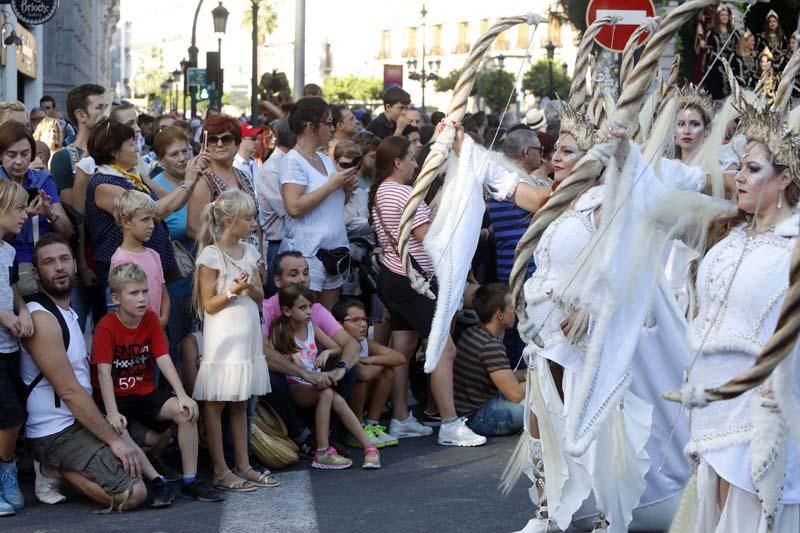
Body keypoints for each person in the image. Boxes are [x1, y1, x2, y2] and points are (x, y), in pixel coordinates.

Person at [369, 135, 486, 446]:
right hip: (414, 280)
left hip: (395, 277)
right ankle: (449, 423)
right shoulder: (405, 193)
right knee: (443, 350)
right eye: (411, 157)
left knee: (403, 349)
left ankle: (401, 418)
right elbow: (427, 238)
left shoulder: (381, 191)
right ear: (397, 162)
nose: (416, 163)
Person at [20, 234, 148, 512]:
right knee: (134, 492)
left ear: (76, 264)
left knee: (146, 449)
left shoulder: (70, 313)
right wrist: (114, 440)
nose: (59, 267)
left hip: (78, 421)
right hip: (55, 430)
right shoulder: (42, 317)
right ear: (36, 272)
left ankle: (69, 464)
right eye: (49, 262)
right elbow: (69, 390)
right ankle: (54, 468)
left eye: (65, 259)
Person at [92, 262, 222, 502]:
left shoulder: (150, 319)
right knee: (117, 427)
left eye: (144, 291)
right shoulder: (106, 326)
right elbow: (103, 373)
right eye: (134, 293)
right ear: (116, 298)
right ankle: (156, 480)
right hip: (117, 397)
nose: (142, 298)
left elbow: (163, 358)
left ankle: (190, 479)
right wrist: (111, 412)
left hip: (144, 392)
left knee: (186, 411)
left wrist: (182, 394)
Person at [192, 189, 274, 491]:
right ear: (229, 221)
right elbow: (208, 305)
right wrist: (234, 291)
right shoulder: (212, 255)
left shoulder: (250, 252)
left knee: (240, 401)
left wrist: (249, 288)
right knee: (216, 404)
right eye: (248, 218)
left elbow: (261, 294)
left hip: (247, 334)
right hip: (224, 336)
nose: (253, 223)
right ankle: (220, 469)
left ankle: (243, 464)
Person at [85, 119, 194, 315]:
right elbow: (155, 212)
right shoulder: (103, 183)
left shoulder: (131, 176)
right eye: (131, 144)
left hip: (147, 266)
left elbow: (173, 202)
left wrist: (190, 180)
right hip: (127, 276)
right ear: (114, 151)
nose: (137, 149)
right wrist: (188, 182)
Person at [260, 251, 362, 455]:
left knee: (351, 369)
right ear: (278, 280)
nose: (302, 279)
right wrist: (304, 373)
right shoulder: (267, 308)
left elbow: (350, 345)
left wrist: (340, 370)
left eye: (306, 273)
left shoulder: (313, 309)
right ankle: (300, 434)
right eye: (294, 274)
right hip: (291, 381)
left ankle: (324, 434)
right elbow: (263, 353)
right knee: (270, 375)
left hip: (311, 378)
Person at [270, 284, 380, 470]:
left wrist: (326, 353)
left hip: (314, 380)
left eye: (310, 307)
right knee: (327, 394)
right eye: (302, 308)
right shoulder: (280, 329)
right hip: (295, 384)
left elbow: (337, 347)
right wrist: (289, 357)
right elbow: (275, 358)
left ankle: (369, 448)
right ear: (287, 310)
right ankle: (322, 452)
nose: (308, 312)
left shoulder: (311, 326)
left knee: (337, 400)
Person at [280, 97, 356, 310]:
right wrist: (332, 185)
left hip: (335, 252)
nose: (332, 128)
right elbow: (293, 207)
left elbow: (332, 205)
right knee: (305, 319)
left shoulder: (323, 159)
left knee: (326, 320)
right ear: (310, 126)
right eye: (328, 123)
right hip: (309, 254)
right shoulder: (292, 161)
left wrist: (346, 189)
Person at [49, 84, 108, 329]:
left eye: (108, 106)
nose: (107, 112)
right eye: (100, 107)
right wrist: (81, 263)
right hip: (85, 255)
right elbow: (74, 213)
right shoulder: (66, 157)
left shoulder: (116, 153)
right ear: (81, 115)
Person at [151, 126, 208, 363]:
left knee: (201, 347)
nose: (183, 158)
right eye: (174, 154)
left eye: (185, 151)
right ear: (161, 160)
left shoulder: (203, 181)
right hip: (173, 283)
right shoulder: (153, 187)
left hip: (204, 281)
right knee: (174, 346)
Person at [0, 121, 73, 296]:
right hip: (14, 260)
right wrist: (24, 215)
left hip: (46, 257)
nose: (19, 161)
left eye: (25, 154)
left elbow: (67, 232)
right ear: (1, 155)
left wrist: (50, 213)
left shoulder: (43, 179)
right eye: (11, 155)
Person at [187, 115, 262, 264]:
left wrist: (261, 261)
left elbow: (256, 223)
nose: (219, 144)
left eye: (226, 139)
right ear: (205, 145)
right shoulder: (204, 181)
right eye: (213, 140)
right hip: (221, 264)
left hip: (251, 260)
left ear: (237, 143)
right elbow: (194, 229)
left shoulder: (244, 176)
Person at [453, 284, 525, 436]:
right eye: (511, 308)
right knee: (539, 405)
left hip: (468, 411)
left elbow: (503, 377)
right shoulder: (491, 346)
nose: (515, 312)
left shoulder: (472, 332)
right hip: (478, 418)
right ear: (499, 315)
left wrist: (527, 374)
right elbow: (516, 394)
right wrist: (542, 379)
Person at [0, 180, 32, 516]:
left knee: (12, 412)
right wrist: (4, 315)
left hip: (10, 347)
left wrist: (21, 310)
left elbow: (11, 288)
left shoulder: (8, 251)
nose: (25, 215)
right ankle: (5, 468)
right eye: (20, 208)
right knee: (10, 416)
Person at [332, 298, 402, 448]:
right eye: (355, 320)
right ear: (338, 325)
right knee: (360, 375)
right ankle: (355, 430)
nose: (363, 325)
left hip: (357, 400)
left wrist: (370, 359)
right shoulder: (335, 343)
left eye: (364, 319)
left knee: (388, 372)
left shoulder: (363, 342)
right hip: (338, 405)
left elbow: (399, 358)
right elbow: (363, 374)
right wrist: (382, 362)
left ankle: (371, 424)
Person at [109, 191, 169, 325]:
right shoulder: (120, 260)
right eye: (145, 219)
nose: (152, 225)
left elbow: (163, 293)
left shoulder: (154, 255)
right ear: (125, 221)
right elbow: (124, 305)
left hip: (157, 328)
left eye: (152, 219)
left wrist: (163, 319)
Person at [255, 119, 294, 298]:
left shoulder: (293, 163)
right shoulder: (272, 170)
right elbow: (290, 209)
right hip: (279, 246)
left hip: (295, 243)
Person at [702, 3, 737, 101]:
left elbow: (737, 49)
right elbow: (708, 51)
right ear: (718, 17)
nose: (725, 17)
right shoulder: (712, 32)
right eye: (722, 15)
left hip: (731, 65)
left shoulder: (733, 33)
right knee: (716, 90)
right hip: (716, 66)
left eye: (726, 15)